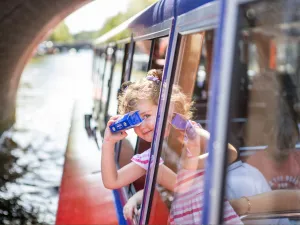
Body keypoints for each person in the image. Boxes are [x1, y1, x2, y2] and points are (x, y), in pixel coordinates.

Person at [101, 69, 241, 224]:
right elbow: (111, 182)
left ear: (167, 109)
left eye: (146, 116)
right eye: (134, 121)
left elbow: (230, 152)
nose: (142, 126)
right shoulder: (149, 159)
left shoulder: (190, 132)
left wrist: (196, 161)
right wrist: (108, 143)